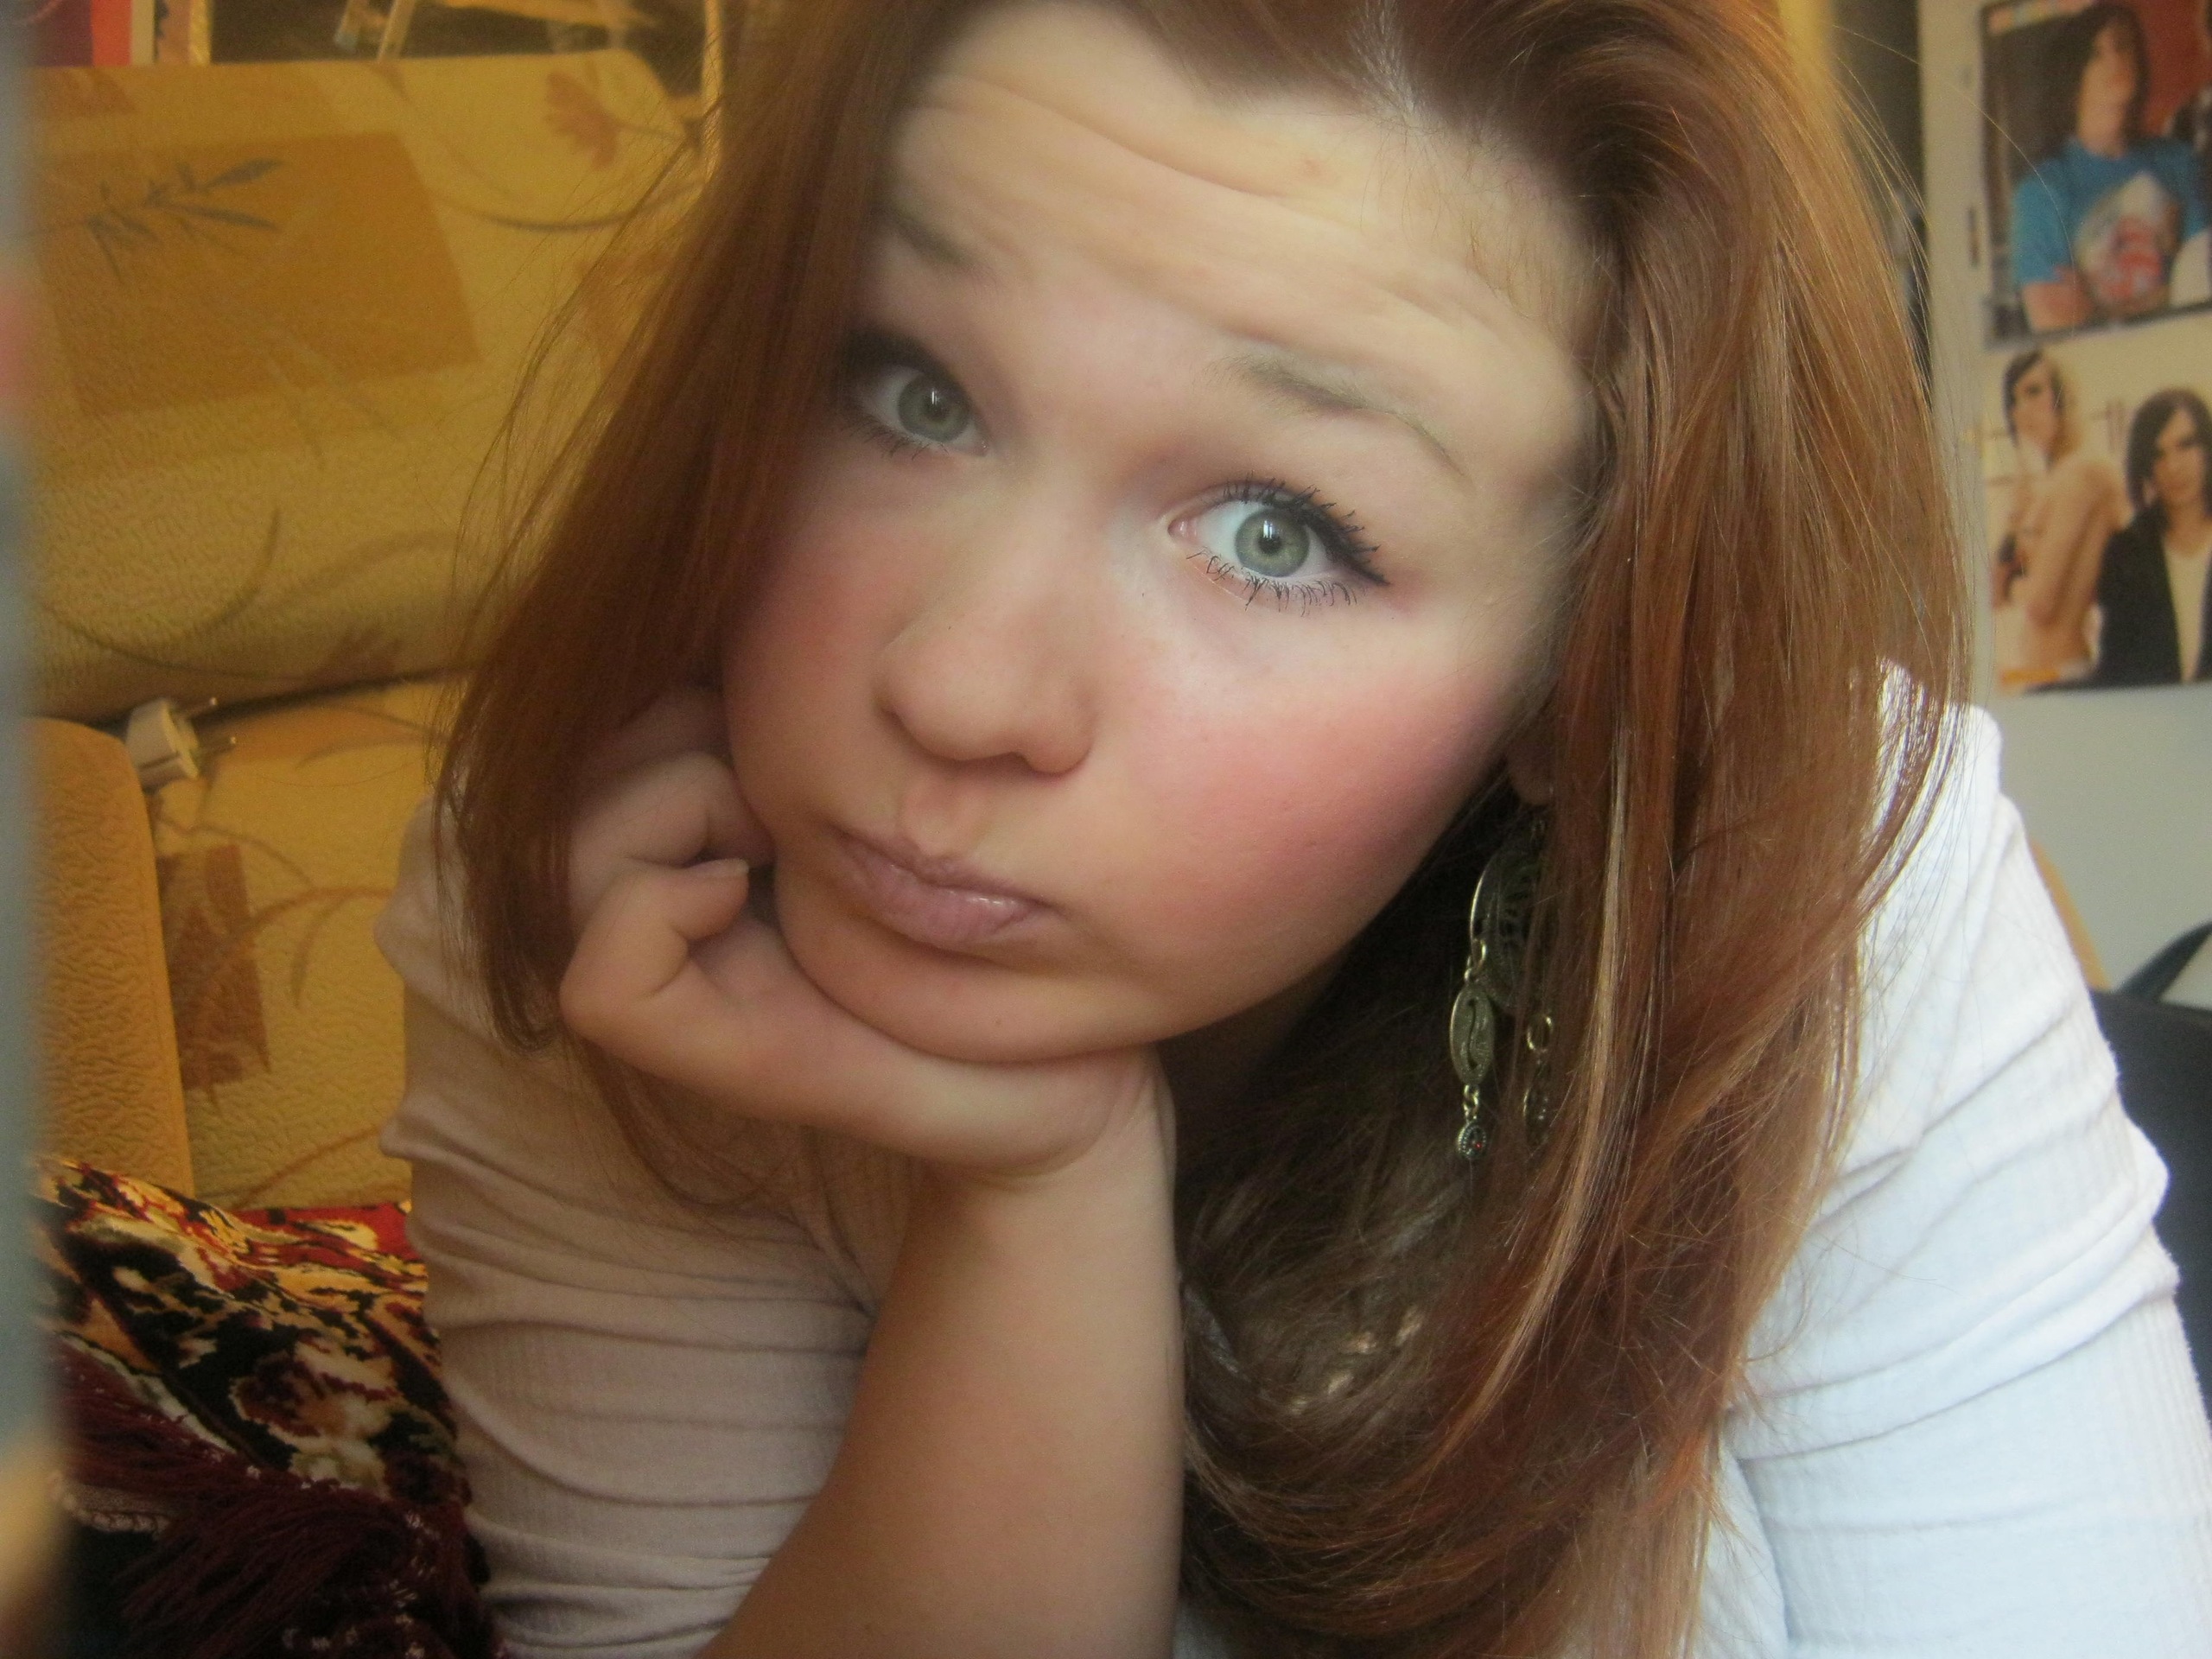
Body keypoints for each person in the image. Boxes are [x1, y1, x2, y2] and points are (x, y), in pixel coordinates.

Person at [378, 2, 2212, 1656]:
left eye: (1276, 533)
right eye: (911, 391)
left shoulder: (1823, 871)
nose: (958, 684)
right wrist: (1041, 1201)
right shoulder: (605, 883)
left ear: (1574, 682)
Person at [2011, 1, 2208, 333]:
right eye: (2095, 54)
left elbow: (2201, 289)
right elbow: (2053, 324)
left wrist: (2097, 310)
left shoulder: (2179, 162)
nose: (2115, 61)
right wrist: (2168, 294)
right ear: (2071, 74)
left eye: (2122, 46)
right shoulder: (2041, 192)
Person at [1991, 347, 2125, 686]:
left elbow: (2040, 603)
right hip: (2041, 673)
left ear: (2064, 394)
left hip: (2062, 673)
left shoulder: (2083, 472)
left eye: (2034, 392)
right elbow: (1993, 594)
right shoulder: (2050, 479)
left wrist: (2013, 587)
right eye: (2014, 400)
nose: (2022, 410)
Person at [2092, 386, 2212, 683]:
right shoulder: (2126, 552)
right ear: (2145, 466)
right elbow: (2116, 668)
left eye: (2185, 445)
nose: (2174, 466)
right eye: (2159, 455)